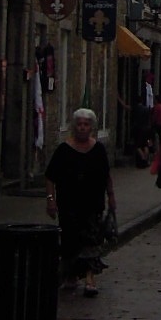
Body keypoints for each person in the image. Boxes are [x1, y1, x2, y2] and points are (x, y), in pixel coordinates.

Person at [46, 108, 116, 298]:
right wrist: (50, 200)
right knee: (70, 240)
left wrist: (111, 196)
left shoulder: (98, 149)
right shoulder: (64, 150)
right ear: (74, 126)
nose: (82, 128)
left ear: (91, 127)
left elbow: (106, 175)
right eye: (79, 124)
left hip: (92, 203)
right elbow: (50, 176)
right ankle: (71, 275)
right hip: (69, 204)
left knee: (91, 241)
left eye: (86, 124)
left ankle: (89, 278)